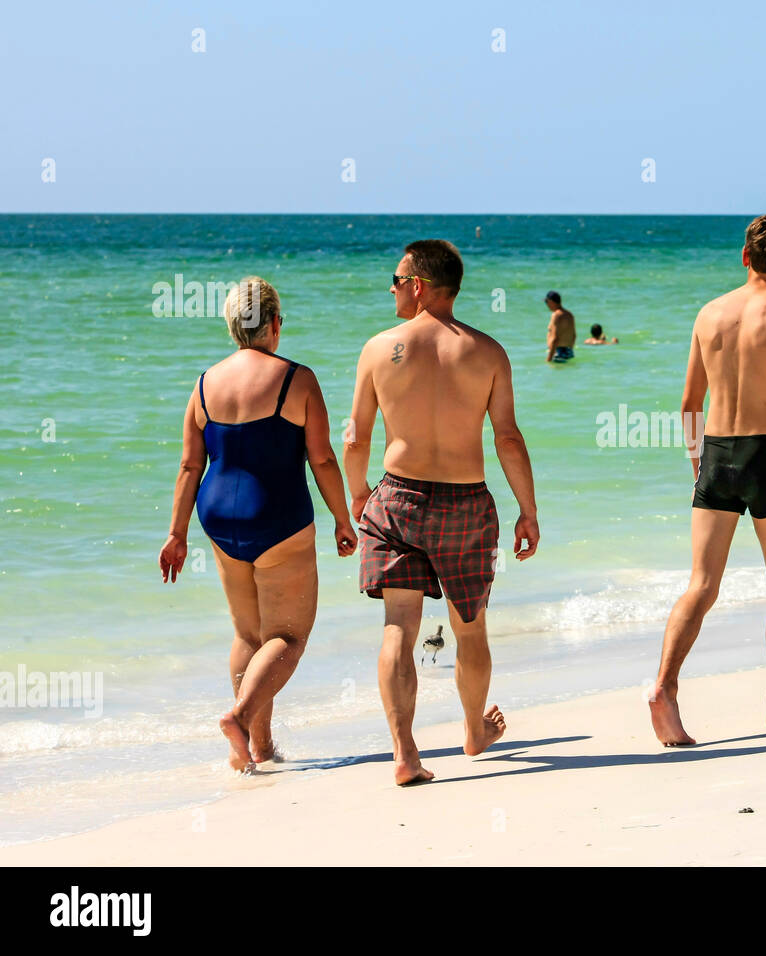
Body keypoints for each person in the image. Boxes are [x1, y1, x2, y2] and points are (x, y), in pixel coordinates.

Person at [345, 240, 540, 785]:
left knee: (398, 629)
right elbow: (507, 437)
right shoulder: (488, 352)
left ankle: (405, 753)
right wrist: (528, 509)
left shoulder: (379, 349)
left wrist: (358, 494)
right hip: (465, 503)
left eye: (397, 278)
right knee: (469, 629)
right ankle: (475, 730)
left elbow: (356, 438)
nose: (391, 287)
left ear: (420, 284)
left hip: (397, 500)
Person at [159, 276, 357, 771]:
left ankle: (259, 750)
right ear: (273, 324)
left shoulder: (205, 383)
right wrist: (342, 518)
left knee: (249, 635)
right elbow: (324, 460)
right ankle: (241, 718)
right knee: (288, 636)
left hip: (219, 518)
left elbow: (189, 467)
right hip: (279, 516)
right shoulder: (297, 379)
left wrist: (176, 534)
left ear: (232, 326)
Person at [649, 212, 766, 746]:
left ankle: (664, 688)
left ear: (745, 257)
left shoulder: (709, 314)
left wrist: (699, 463)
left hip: (717, 453)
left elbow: (688, 403)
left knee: (701, 585)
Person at [544, 291, 576, 362]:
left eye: (546, 302)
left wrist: (549, 358)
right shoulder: (569, 315)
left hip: (557, 352)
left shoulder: (556, 315)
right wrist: (569, 350)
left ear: (551, 301)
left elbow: (555, 338)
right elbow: (573, 336)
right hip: (569, 352)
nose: (546, 304)